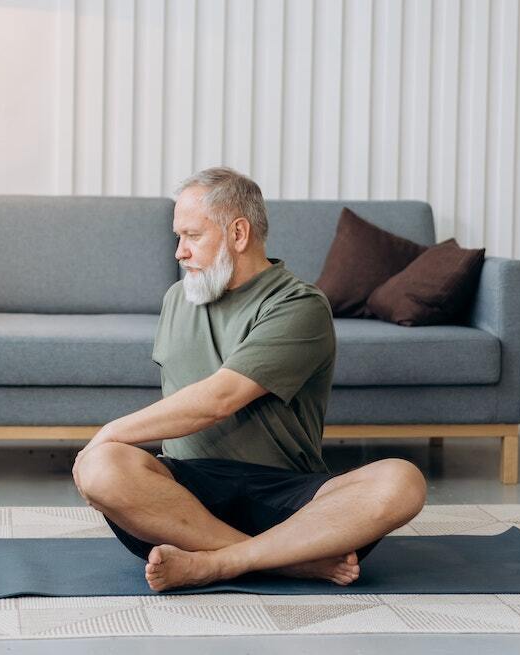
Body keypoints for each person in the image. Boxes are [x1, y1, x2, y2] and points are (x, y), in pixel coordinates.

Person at [71, 167, 427, 592]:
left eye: (192, 236)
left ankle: (219, 564)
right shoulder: (177, 298)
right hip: (186, 501)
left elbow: (218, 398)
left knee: (402, 480)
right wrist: (104, 453)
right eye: (177, 238)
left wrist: (106, 433)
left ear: (238, 234)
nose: (179, 253)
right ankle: (288, 562)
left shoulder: (299, 305)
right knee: (102, 469)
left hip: (287, 499)